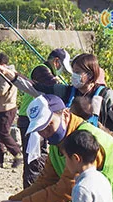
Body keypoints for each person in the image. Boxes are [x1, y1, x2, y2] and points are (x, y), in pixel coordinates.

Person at [0, 53, 113, 157]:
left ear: (90, 74)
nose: (73, 76)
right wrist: (10, 74)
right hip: (75, 155)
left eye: (77, 72)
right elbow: (35, 88)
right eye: (73, 71)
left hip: (103, 153)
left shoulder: (107, 96)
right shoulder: (67, 92)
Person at [18, 48, 72, 188]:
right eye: (62, 67)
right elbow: (53, 87)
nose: (61, 71)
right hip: (32, 118)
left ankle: (36, 191)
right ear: (56, 62)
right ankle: (32, 192)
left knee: (40, 155)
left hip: (40, 118)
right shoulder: (41, 71)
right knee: (34, 157)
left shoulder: (49, 72)